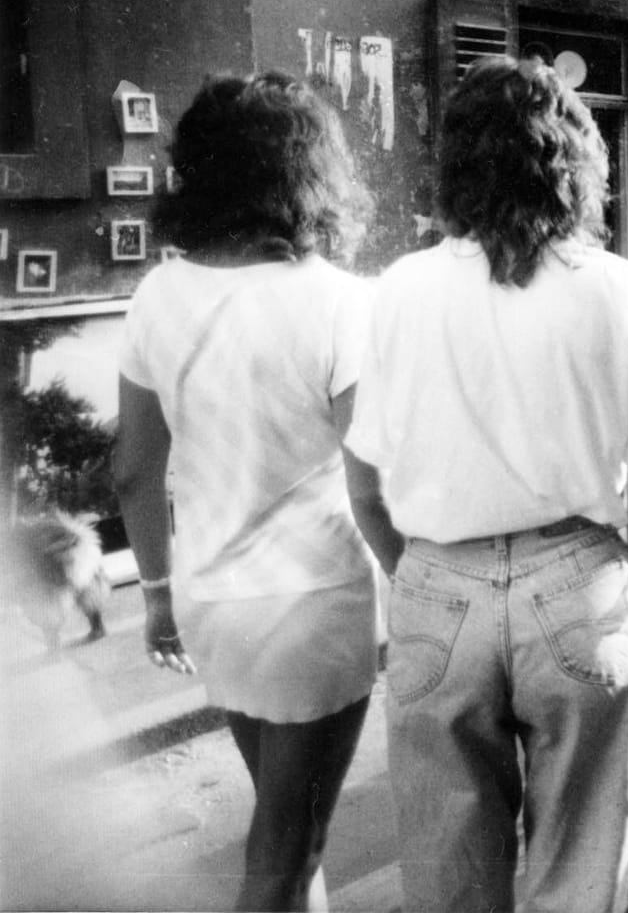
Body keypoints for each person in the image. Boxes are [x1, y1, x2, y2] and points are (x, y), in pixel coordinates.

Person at [343, 60, 628, 913]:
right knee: (580, 851)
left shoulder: (398, 292)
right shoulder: (622, 291)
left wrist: (419, 572)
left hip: (436, 583)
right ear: (579, 164)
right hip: (578, 584)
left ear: (455, 166)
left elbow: (362, 478)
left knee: (445, 863)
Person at [114, 72, 380, 911]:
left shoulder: (158, 294)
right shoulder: (340, 303)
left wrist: (156, 596)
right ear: (310, 175)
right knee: (284, 850)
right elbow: (373, 477)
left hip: (212, 604)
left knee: (289, 837)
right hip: (315, 604)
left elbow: (132, 469)